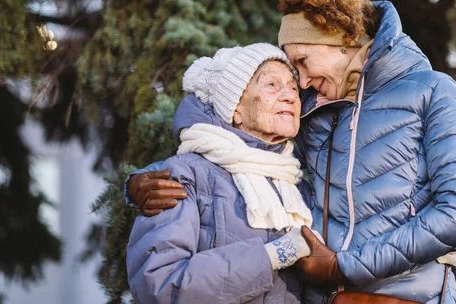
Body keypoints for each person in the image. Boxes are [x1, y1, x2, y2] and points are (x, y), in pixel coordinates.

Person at [128, 0, 456, 303]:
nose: (298, 83)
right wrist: (140, 185)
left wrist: (343, 266)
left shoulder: (431, 91)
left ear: (341, 40)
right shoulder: (312, 114)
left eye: (301, 61)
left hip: (406, 297)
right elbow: (240, 148)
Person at [126, 43, 322, 304]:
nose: (290, 96)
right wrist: (273, 256)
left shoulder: (297, 185)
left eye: (293, 87)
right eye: (272, 85)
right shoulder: (186, 176)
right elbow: (159, 285)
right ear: (236, 109)